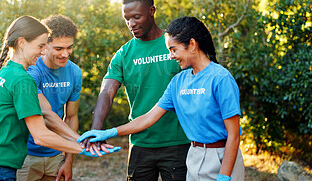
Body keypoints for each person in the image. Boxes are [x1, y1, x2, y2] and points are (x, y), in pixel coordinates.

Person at [78, 17, 245, 181]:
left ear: (192, 45)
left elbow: (234, 134)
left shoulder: (221, 78)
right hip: (194, 156)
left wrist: (224, 176)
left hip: (222, 156)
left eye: (174, 49)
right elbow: (148, 118)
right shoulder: (178, 82)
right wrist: (110, 132)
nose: (171, 56)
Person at [0, 15, 120, 181]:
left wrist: (79, 142)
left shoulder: (7, 72)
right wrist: (83, 148)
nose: (42, 51)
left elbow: (50, 118)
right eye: (40, 46)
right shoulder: (22, 79)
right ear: (22, 43)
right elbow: (40, 135)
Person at [83, 0, 190, 181]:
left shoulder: (175, 45)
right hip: (141, 143)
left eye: (136, 17)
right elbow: (107, 92)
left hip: (177, 142)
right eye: (126, 19)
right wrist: (96, 130)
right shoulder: (124, 54)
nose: (131, 24)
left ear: (151, 11)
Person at [17, 14, 82, 181]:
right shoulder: (32, 70)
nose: (66, 54)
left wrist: (68, 160)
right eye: (59, 49)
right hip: (27, 154)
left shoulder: (74, 72)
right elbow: (45, 115)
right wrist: (82, 144)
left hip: (56, 154)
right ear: (44, 46)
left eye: (69, 47)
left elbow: (71, 117)